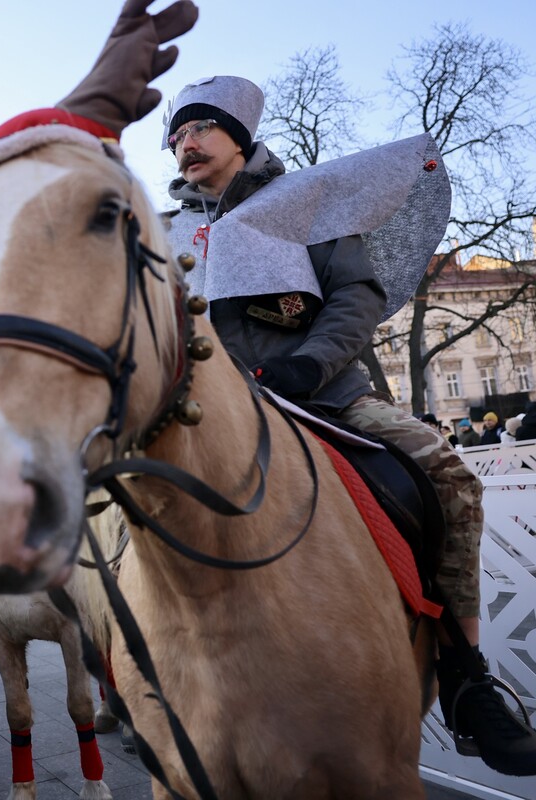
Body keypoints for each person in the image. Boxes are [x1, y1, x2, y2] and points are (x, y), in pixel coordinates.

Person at [162, 75, 536, 774]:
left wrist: (308, 365)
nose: (186, 143)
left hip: (326, 397)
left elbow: (354, 297)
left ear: (239, 135)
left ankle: (464, 675)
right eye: (176, 134)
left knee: (448, 475)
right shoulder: (167, 234)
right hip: (208, 415)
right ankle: (128, 670)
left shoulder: (310, 204)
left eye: (200, 126)